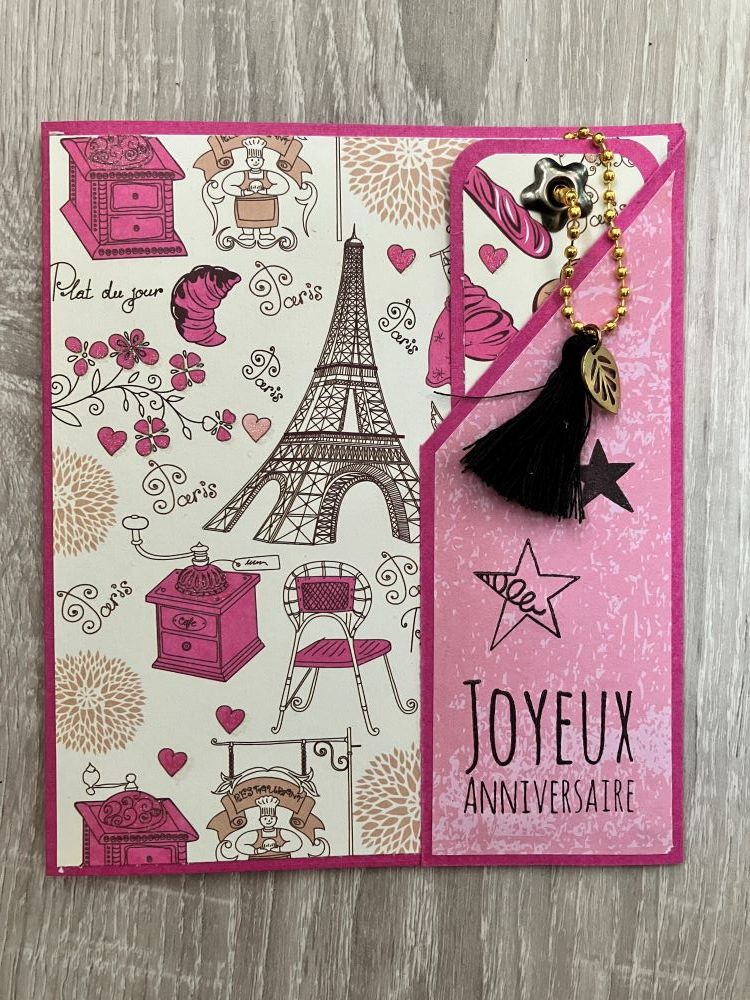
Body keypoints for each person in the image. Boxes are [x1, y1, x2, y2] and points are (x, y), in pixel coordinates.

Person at [220, 137, 290, 247]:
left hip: (267, 206)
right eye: (252, 160)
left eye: (258, 160)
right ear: (247, 161)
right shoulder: (241, 175)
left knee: (266, 222)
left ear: (263, 161)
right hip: (245, 206)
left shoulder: (268, 174)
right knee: (246, 221)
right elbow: (226, 186)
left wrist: (267, 191)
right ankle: (247, 233)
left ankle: (265, 233)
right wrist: (243, 192)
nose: (255, 162)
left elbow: (284, 186)